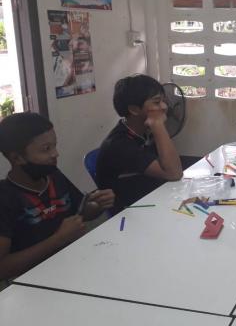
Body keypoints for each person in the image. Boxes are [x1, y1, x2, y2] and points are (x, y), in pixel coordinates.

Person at [0, 112, 114, 280]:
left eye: (54, 146)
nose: (55, 154)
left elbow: (80, 214)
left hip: (73, 263)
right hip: (35, 281)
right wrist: (58, 239)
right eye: (46, 149)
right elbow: (2, 269)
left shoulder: (53, 175)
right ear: (17, 158)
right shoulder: (5, 197)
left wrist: (97, 205)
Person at [96, 74, 183, 214]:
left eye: (164, 101)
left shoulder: (144, 131)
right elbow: (174, 173)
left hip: (150, 196)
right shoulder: (120, 145)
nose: (165, 107)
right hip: (130, 212)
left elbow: (171, 165)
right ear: (134, 109)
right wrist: (158, 125)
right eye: (157, 102)